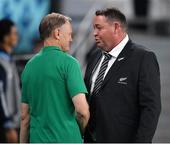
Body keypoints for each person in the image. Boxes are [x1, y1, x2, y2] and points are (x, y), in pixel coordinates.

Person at [84, 8, 161, 143]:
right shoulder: (94, 57)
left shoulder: (143, 58)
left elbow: (151, 108)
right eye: (93, 28)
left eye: (99, 28)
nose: (94, 33)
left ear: (116, 27)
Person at [20, 13, 90, 143]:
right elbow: (82, 111)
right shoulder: (70, 63)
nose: (71, 39)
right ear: (57, 33)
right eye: (69, 34)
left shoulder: (29, 66)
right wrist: (79, 132)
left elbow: (24, 117)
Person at [0, 19, 20, 143]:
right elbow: (0, 93)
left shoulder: (9, 60)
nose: (16, 37)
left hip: (13, 124)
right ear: (5, 37)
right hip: (5, 127)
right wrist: (8, 125)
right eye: (14, 33)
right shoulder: (1, 63)